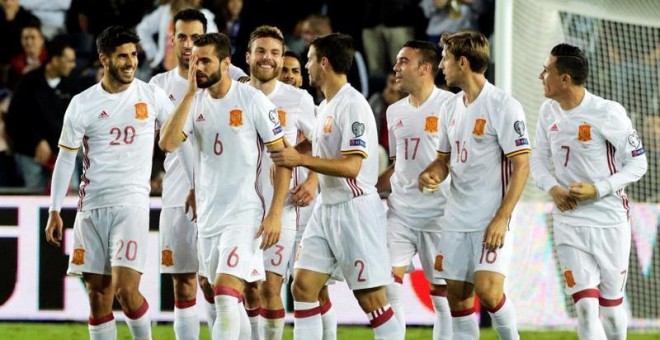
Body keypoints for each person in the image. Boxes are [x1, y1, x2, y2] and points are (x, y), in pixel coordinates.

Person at [158, 32, 291, 340]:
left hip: (244, 214)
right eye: (193, 61)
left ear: (227, 64)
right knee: (216, 291)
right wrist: (189, 95)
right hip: (208, 215)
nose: (197, 68)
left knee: (226, 292)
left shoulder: (252, 100)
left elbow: (283, 158)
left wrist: (273, 214)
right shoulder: (195, 101)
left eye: (205, 61)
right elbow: (167, 142)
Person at [45, 25, 175, 340]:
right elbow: (66, 159)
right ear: (104, 59)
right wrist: (54, 209)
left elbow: (177, 138)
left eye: (133, 55)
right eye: (122, 56)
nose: (131, 62)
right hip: (91, 208)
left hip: (131, 204)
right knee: (98, 296)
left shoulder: (151, 95)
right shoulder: (82, 103)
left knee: (126, 291)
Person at [271, 33, 403, 340]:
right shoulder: (326, 105)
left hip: (354, 209)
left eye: (310, 60)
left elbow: (351, 167)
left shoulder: (352, 105)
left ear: (324, 63)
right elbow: (314, 146)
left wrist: (300, 161)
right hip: (326, 208)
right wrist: (284, 151)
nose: (306, 66)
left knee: (372, 300)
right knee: (302, 286)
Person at [530, 43, 648, 340]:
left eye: (547, 70)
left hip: (609, 221)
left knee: (610, 309)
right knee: (584, 306)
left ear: (565, 79)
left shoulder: (607, 112)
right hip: (569, 221)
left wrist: (598, 189)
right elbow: (537, 159)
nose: (541, 75)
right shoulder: (548, 112)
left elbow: (638, 164)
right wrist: (553, 188)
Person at [419, 31, 530, 339]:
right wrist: (432, 174)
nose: (441, 65)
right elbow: (443, 161)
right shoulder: (449, 108)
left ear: (462, 62)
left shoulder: (504, 106)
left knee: (489, 292)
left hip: (491, 217)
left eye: (445, 58)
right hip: (456, 217)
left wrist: (502, 217)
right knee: (457, 296)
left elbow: (522, 165)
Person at [240, 25, 319, 340]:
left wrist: (309, 175)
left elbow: (322, 141)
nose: (267, 58)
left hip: (281, 206)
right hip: (240, 206)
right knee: (248, 288)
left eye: (274, 53)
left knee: (272, 286)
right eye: (261, 51)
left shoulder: (297, 99)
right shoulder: (234, 93)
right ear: (248, 56)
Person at [376, 40, 453, 339]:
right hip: (400, 213)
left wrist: (437, 176)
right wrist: (371, 187)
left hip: (439, 214)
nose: (396, 67)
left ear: (425, 68)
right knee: (387, 283)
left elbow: (461, 159)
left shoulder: (451, 105)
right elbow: (398, 163)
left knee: (441, 294)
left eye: (403, 61)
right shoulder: (394, 111)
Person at [148, 8, 206, 340]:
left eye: (195, 37)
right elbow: (160, 143)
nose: (187, 45)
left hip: (222, 196)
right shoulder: (158, 85)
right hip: (175, 196)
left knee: (218, 284)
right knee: (182, 284)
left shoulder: (233, 78)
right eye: (181, 37)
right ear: (172, 41)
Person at [278, 50, 339, 340]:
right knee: (273, 283)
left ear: (302, 78)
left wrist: (313, 181)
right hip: (278, 206)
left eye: (294, 71)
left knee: (315, 285)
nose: (289, 75)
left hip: (307, 206)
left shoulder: (311, 109)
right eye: (284, 70)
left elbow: (324, 146)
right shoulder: (263, 103)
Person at [6, 39, 77, 193]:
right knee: (34, 197)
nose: (74, 65)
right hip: (31, 154)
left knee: (70, 199)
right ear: (55, 60)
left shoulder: (71, 85)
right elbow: (15, 119)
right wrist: (37, 141)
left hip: (63, 155)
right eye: (69, 61)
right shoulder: (29, 82)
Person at [137, 0, 218, 72]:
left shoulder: (204, 15)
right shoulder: (165, 11)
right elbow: (142, 29)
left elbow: (215, 44)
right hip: (163, 71)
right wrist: (152, 52)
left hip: (190, 75)